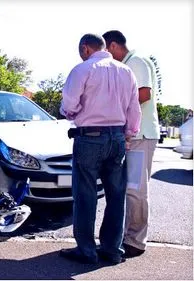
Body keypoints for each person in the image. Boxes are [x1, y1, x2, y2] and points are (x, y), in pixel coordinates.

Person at [59, 33, 141, 264]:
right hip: (117, 137)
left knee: (85, 195)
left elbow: (69, 106)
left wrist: (71, 113)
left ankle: (86, 250)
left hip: (89, 137)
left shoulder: (83, 69)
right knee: (116, 196)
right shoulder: (126, 71)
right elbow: (134, 109)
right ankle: (111, 250)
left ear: (86, 48)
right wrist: (128, 135)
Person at [103, 30, 160, 258]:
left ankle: (135, 241)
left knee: (136, 190)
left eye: (105, 51)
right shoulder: (126, 64)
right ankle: (126, 237)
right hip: (130, 137)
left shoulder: (136, 62)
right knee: (129, 190)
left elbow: (144, 94)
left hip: (141, 136)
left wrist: (113, 106)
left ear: (113, 46)